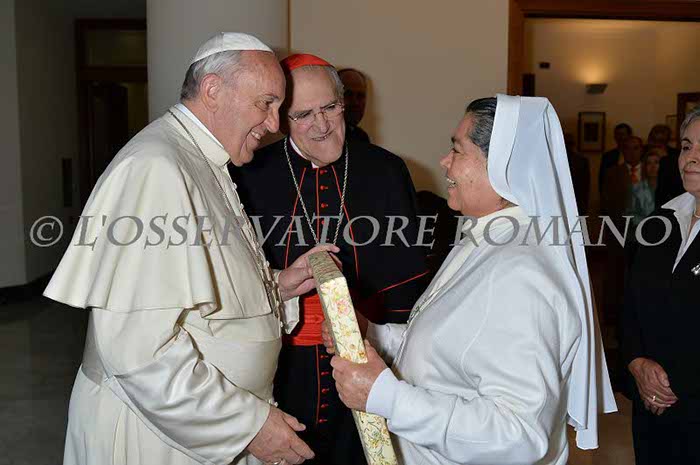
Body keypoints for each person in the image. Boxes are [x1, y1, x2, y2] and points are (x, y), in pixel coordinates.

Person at [44, 33, 337, 465]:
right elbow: (139, 353)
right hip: (156, 434)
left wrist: (278, 288)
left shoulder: (200, 159)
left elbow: (196, 296)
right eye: (266, 103)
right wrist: (246, 425)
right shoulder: (156, 168)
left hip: (193, 425)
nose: (274, 124)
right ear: (213, 90)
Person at [325, 95, 616, 464]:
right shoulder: (489, 236)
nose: (444, 161)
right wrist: (373, 333)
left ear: (503, 165)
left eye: (457, 150)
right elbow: (450, 349)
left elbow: (518, 434)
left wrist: (386, 397)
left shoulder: (521, 273)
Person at [230, 54, 428, 465]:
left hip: (366, 356)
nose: (321, 124)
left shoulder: (386, 171)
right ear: (280, 119)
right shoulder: (249, 175)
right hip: (281, 364)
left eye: (330, 107)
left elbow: (406, 284)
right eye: (303, 114)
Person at [622, 105, 700, 465]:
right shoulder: (659, 222)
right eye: (686, 146)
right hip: (650, 412)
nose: (691, 158)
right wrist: (637, 363)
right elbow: (631, 305)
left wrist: (668, 388)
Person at [652, 123, 685, 208]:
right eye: (656, 139)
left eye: (662, 140)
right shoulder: (644, 152)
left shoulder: (676, 155)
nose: (658, 143)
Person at [599, 122, 633, 195]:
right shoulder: (607, 156)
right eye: (617, 134)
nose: (620, 137)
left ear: (629, 136)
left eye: (623, 134)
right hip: (612, 195)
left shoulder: (637, 155)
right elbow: (602, 180)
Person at [338, 68, 370, 143]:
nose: (355, 102)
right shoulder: (321, 135)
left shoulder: (360, 137)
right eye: (348, 95)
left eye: (360, 96)